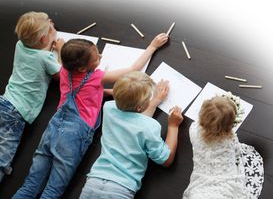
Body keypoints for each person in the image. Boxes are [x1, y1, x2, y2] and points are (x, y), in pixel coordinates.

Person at [13, 33, 168, 199]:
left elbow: (76, 77)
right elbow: (132, 70)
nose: (101, 56)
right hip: (72, 137)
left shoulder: (64, 69)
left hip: (54, 128)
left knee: (29, 186)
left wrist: (61, 50)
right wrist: (152, 46)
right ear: (81, 68)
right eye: (96, 57)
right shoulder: (96, 77)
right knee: (52, 191)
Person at [79, 71, 183, 199]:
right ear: (140, 107)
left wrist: (154, 101)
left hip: (93, 182)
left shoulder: (108, 108)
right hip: (120, 189)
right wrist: (173, 126)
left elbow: (134, 122)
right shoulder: (150, 127)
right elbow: (166, 160)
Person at [0, 11, 62, 183]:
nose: (52, 26)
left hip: (5, 102)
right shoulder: (46, 57)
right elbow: (62, 75)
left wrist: (48, 34)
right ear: (44, 40)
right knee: (2, 156)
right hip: (17, 112)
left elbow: (37, 50)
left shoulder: (20, 44)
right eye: (51, 28)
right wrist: (61, 50)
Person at [182, 95, 264, 199]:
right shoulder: (229, 140)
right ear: (229, 126)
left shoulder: (193, 130)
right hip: (226, 182)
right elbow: (237, 152)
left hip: (201, 181)